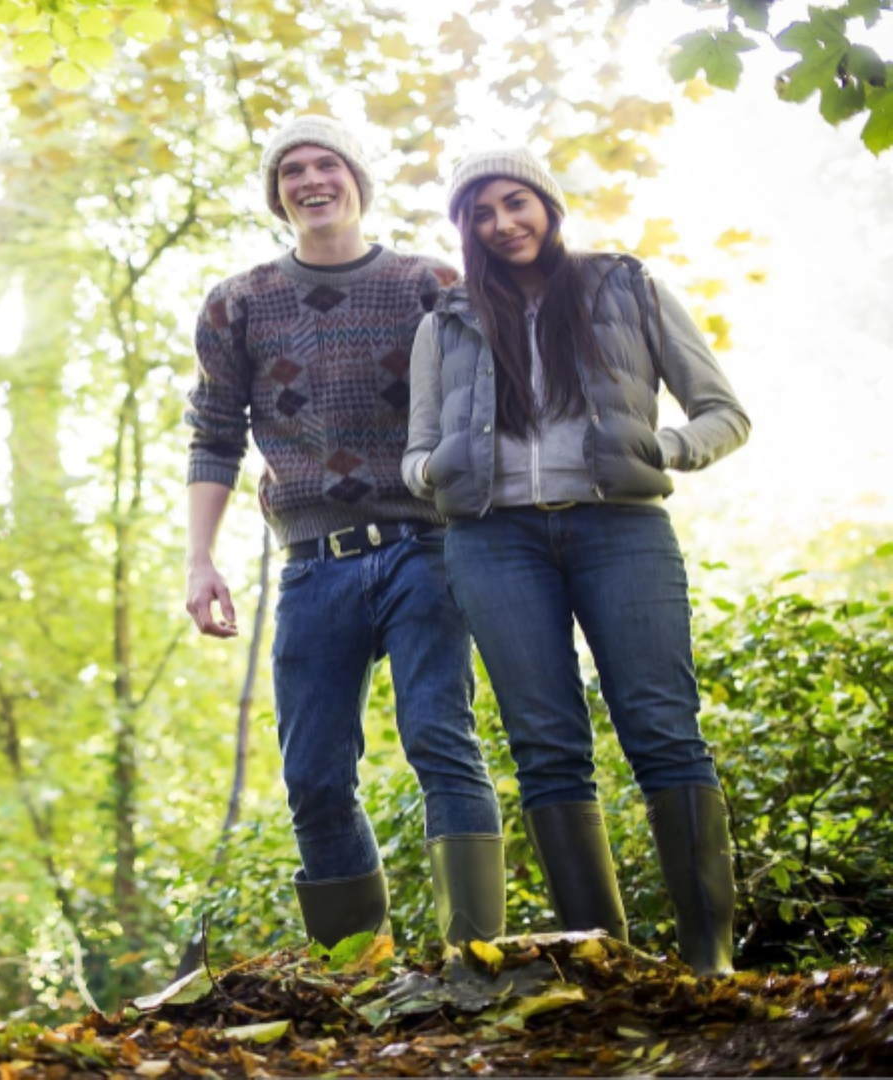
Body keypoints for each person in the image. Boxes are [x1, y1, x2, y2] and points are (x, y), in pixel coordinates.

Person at [401, 147, 750, 975]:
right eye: (480, 214)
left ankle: (710, 962)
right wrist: (430, 472)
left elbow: (724, 413)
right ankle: (606, 966)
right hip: (493, 542)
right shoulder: (445, 321)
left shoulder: (627, 288)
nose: (501, 225)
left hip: (620, 530)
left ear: (548, 206)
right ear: (466, 230)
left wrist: (661, 448)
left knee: (664, 730)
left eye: (515, 203)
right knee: (547, 745)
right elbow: (415, 451)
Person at [185, 116, 505, 951]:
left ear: (358, 181)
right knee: (314, 774)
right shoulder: (237, 303)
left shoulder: (429, 284)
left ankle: (473, 960)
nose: (310, 179)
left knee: (441, 739)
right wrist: (200, 561)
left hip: (426, 550)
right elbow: (213, 435)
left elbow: (491, 407)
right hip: (312, 565)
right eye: (291, 170)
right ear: (277, 193)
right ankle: (357, 974)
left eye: (327, 164)